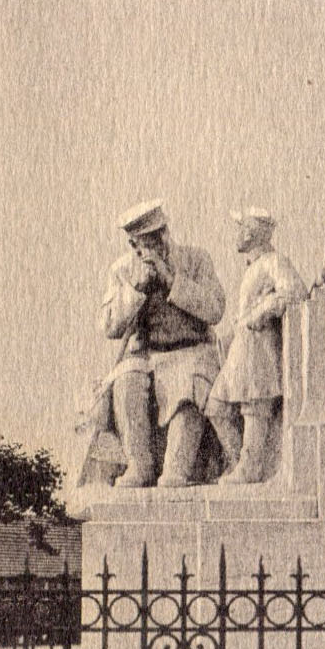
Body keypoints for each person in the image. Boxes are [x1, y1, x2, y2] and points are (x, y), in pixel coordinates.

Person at [99, 201, 225, 487]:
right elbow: (109, 326)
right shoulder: (122, 271)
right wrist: (136, 290)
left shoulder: (195, 259)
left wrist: (172, 282)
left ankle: (177, 468)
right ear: (133, 244)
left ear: (167, 231)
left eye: (160, 236)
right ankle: (139, 465)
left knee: (189, 382)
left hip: (191, 349)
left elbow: (216, 309)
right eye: (145, 242)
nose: (157, 245)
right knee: (127, 381)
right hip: (144, 354)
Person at [207, 211, 307, 484]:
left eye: (240, 229)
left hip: (258, 348)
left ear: (251, 234)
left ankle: (250, 468)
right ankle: (242, 462)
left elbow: (295, 291)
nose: (236, 235)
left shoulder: (273, 261)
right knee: (216, 408)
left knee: (254, 407)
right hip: (242, 347)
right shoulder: (254, 265)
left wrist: (260, 313)